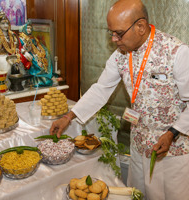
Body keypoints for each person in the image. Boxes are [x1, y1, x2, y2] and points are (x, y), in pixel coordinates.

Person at [50, 0, 189, 199]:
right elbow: (101, 89)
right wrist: (68, 116)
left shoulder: (177, 52)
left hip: (171, 150)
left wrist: (172, 133)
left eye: (119, 33)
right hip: (139, 144)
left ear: (140, 27)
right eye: (111, 33)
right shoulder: (120, 55)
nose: (114, 39)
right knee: (138, 193)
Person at [19, 20, 53, 87]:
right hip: (28, 53)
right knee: (36, 61)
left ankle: (45, 75)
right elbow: (20, 48)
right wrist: (25, 51)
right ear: (24, 28)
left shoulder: (32, 37)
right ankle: (36, 77)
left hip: (35, 52)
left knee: (46, 57)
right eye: (28, 28)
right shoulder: (21, 38)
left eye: (30, 28)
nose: (29, 30)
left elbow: (38, 45)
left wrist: (43, 51)